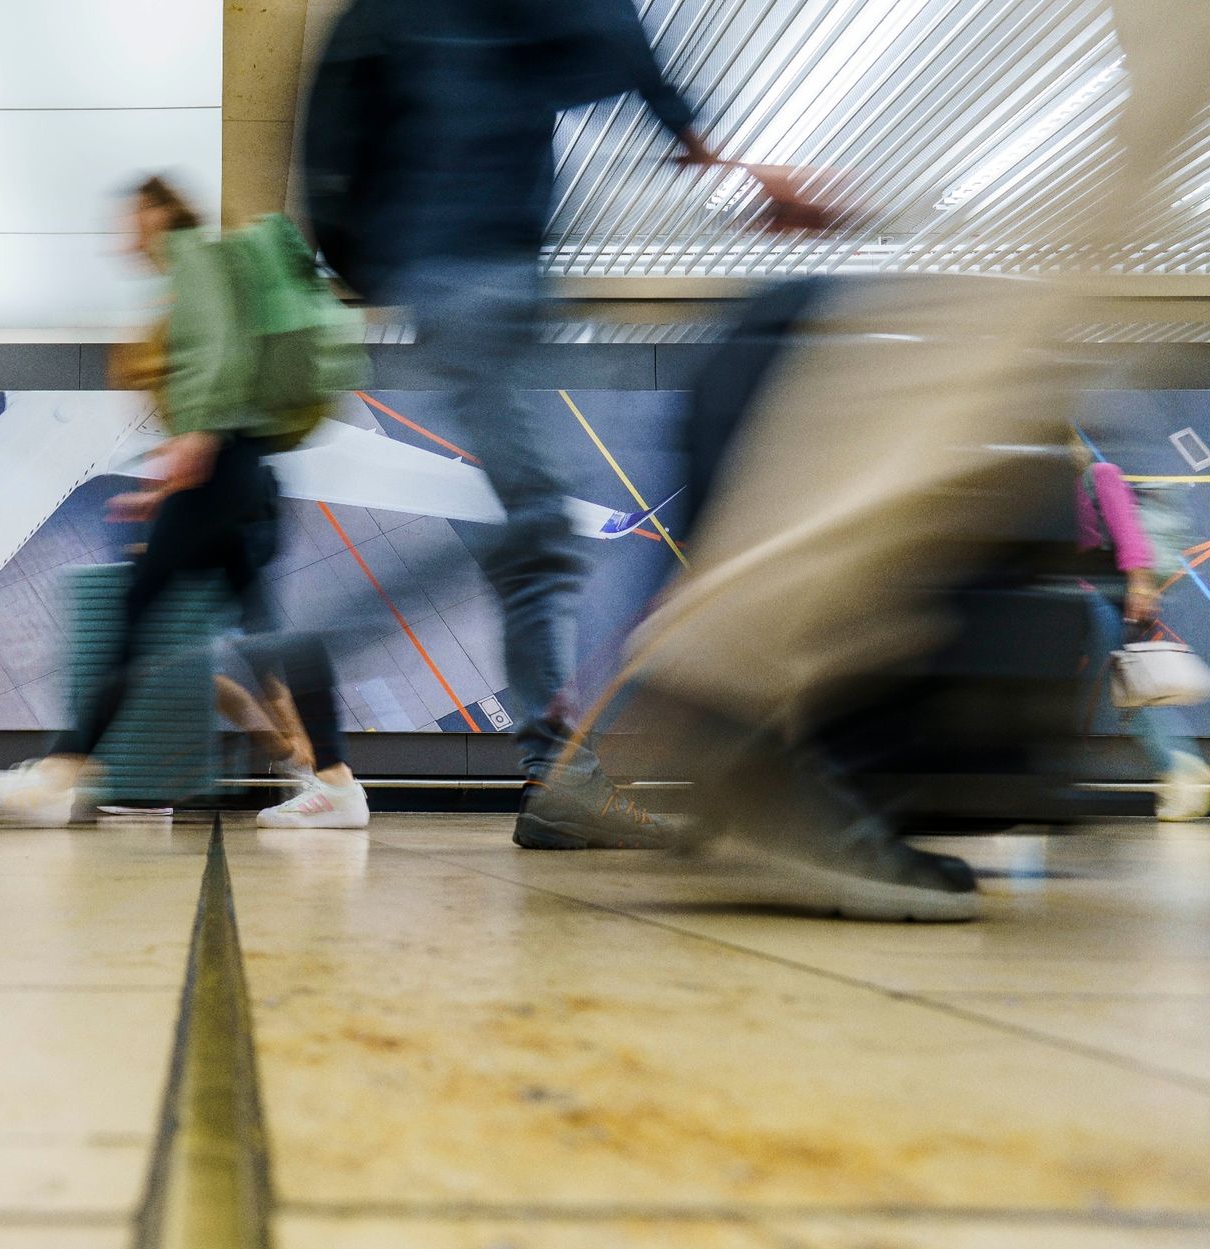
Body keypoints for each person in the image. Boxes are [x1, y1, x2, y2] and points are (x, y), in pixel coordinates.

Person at [309, 0, 824, 851]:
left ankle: (558, 774)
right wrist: (716, 156)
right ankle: (311, 646)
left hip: (475, 267)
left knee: (538, 528)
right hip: (474, 270)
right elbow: (607, 33)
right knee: (540, 526)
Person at [0, 176, 366, 828]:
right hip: (242, 470)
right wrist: (169, 483)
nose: (123, 233)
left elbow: (217, 346)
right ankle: (338, 784)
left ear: (156, 212)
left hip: (224, 460)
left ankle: (61, 772)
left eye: (130, 217)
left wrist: (200, 432)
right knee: (269, 632)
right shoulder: (202, 268)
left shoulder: (191, 254)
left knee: (137, 613)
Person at [1075, 446, 1210, 821]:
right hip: (1083, 601)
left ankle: (1181, 767)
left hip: (1100, 600)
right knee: (1123, 691)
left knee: (1127, 689)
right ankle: (1183, 767)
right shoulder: (1055, 490)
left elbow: (1128, 531)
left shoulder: (1099, 475)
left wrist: (1141, 584)